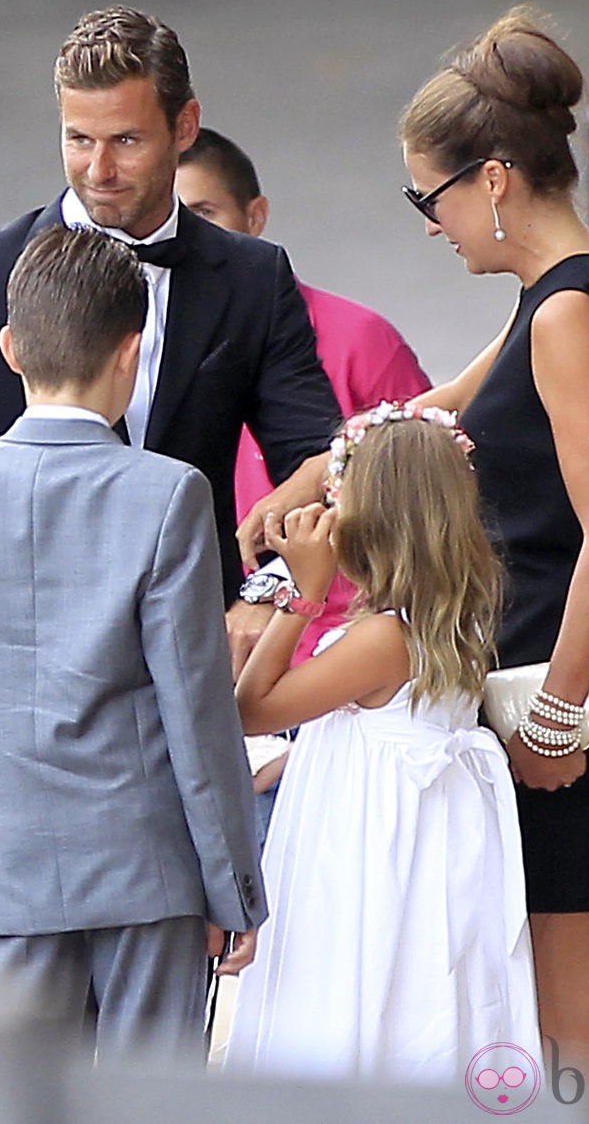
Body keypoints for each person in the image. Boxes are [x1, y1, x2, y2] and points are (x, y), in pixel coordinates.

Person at [399, 8, 589, 1120]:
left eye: (425, 200)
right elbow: (440, 410)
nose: (428, 226)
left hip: (569, 687)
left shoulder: (569, 311)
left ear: (488, 180)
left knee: (576, 991)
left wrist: (551, 721)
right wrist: (319, 472)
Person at [0, 5, 339, 622]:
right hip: (23, 638)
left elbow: (314, 462)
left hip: (193, 635)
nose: (99, 171)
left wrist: (265, 594)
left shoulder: (251, 277)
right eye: (79, 140)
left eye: (126, 141)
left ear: (185, 125)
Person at [0, 224, 265, 1060]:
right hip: (151, 874)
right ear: (133, 353)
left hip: (10, 872)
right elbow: (197, 710)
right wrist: (232, 885)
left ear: (8, 347)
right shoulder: (168, 494)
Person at [223, 407, 541, 1083]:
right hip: (431, 846)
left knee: (373, 1004)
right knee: (430, 998)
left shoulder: (382, 638)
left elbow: (248, 708)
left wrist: (302, 592)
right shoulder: (448, 618)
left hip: (374, 862)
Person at [177, 127, 431, 839]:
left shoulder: (358, 340)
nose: (182, 243)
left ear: (255, 219)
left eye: (202, 217)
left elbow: (428, 510)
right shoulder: (137, 350)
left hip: (342, 678)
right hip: (205, 678)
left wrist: (272, 596)